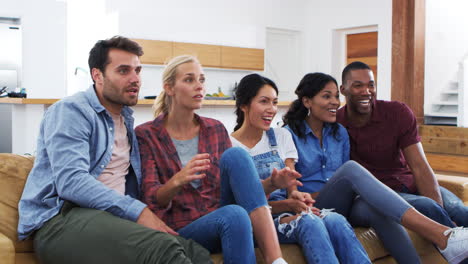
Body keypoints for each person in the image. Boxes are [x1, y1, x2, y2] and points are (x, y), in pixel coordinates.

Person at [17, 36, 211, 264]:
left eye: (137, 70)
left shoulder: (126, 119)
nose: (135, 79)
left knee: (196, 253)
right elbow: (71, 181)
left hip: (109, 220)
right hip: (61, 219)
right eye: (123, 71)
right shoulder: (71, 111)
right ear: (97, 75)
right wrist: (137, 211)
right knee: (163, 249)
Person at [281, 72, 468, 264]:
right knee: (351, 169)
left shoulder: (340, 133)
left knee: (378, 209)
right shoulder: (287, 135)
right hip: (311, 205)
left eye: (336, 96)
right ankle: (444, 236)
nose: (335, 102)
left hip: (343, 204)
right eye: (326, 96)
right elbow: (290, 191)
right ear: (307, 102)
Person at [135, 55, 299, 264]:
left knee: (236, 156)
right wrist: (178, 180)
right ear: (169, 88)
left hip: (218, 211)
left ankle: (276, 260)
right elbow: (152, 198)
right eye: (189, 80)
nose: (199, 86)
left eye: (202, 80)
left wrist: (272, 184)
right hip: (183, 227)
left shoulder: (215, 128)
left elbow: (245, 190)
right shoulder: (146, 134)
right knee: (234, 215)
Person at [230, 73, 371, 264]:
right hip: (260, 221)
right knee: (309, 222)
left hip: (288, 211)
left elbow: (292, 188)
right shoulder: (230, 147)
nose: (271, 109)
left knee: (335, 220)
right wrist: (289, 206)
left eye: (274, 102)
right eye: (264, 102)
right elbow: (243, 208)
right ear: (244, 105)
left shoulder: (281, 136)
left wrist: (297, 197)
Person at [337, 61, 468, 229]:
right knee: (428, 207)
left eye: (371, 85)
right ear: (343, 90)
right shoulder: (335, 124)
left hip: (409, 183)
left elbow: (420, 166)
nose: (366, 91)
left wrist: (440, 212)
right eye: (358, 86)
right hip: (382, 195)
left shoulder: (397, 113)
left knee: (459, 211)